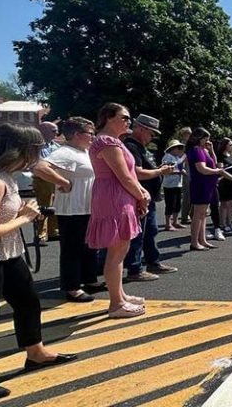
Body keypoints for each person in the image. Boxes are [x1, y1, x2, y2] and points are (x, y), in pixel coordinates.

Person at [0, 123, 77, 401]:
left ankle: (36, 352)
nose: (37, 158)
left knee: (27, 300)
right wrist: (25, 218)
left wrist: (21, 211)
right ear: (19, 151)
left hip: (6, 251)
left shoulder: (5, 176)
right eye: (35, 151)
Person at [86, 103, 149, 318]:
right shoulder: (107, 142)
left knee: (120, 250)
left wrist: (140, 193)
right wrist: (142, 195)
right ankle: (115, 304)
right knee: (116, 252)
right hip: (115, 197)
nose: (128, 122)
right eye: (124, 117)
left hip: (118, 195)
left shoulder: (113, 142)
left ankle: (120, 295)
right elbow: (123, 176)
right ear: (109, 118)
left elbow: (129, 176)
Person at [32, 117, 102, 303]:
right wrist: (62, 182)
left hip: (87, 208)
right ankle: (71, 287)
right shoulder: (66, 152)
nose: (93, 137)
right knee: (73, 250)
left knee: (89, 247)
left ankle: (89, 279)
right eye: (90, 134)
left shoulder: (83, 152)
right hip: (72, 210)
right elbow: (39, 167)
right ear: (77, 135)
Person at [122, 114, 178, 281]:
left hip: (147, 197)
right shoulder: (131, 146)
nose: (152, 137)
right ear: (141, 128)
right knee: (138, 234)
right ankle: (134, 268)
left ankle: (152, 261)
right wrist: (161, 171)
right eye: (151, 133)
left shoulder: (139, 146)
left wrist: (159, 169)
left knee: (150, 231)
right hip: (139, 197)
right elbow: (137, 173)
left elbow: (145, 169)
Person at [186, 128, 224, 250]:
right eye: (205, 138)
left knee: (203, 214)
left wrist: (212, 151)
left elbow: (214, 162)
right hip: (200, 184)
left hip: (208, 185)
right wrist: (217, 171)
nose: (208, 141)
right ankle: (194, 242)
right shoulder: (196, 150)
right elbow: (201, 168)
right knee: (198, 214)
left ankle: (202, 240)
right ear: (198, 138)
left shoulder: (204, 150)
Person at [32, 122, 60, 242]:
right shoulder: (36, 147)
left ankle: (53, 231)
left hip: (56, 178)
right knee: (44, 206)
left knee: (55, 206)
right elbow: (38, 163)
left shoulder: (56, 146)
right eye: (53, 131)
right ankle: (40, 234)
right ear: (43, 131)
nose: (56, 133)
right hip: (43, 179)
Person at [161, 140, 186, 231]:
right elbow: (166, 170)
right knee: (170, 204)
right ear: (172, 148)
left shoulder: (176, 158)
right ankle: (168, 224)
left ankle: (175, 222)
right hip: (169, 185)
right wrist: (180, 172)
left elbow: (180, 167)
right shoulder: (167, 157)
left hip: (177, 184)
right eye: (177, 148)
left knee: (177, 204)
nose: (179, 150)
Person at [178, 127, 193, 225]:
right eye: (187, 133)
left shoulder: (191, 144)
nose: (188, 135)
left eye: (189, 133)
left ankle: (191, 214)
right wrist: (182, 170)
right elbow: (180, 159)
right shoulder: (182, 145)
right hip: (187, 170)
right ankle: (184, 216)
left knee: (192, 194)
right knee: (187, 195)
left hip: (192, 168)